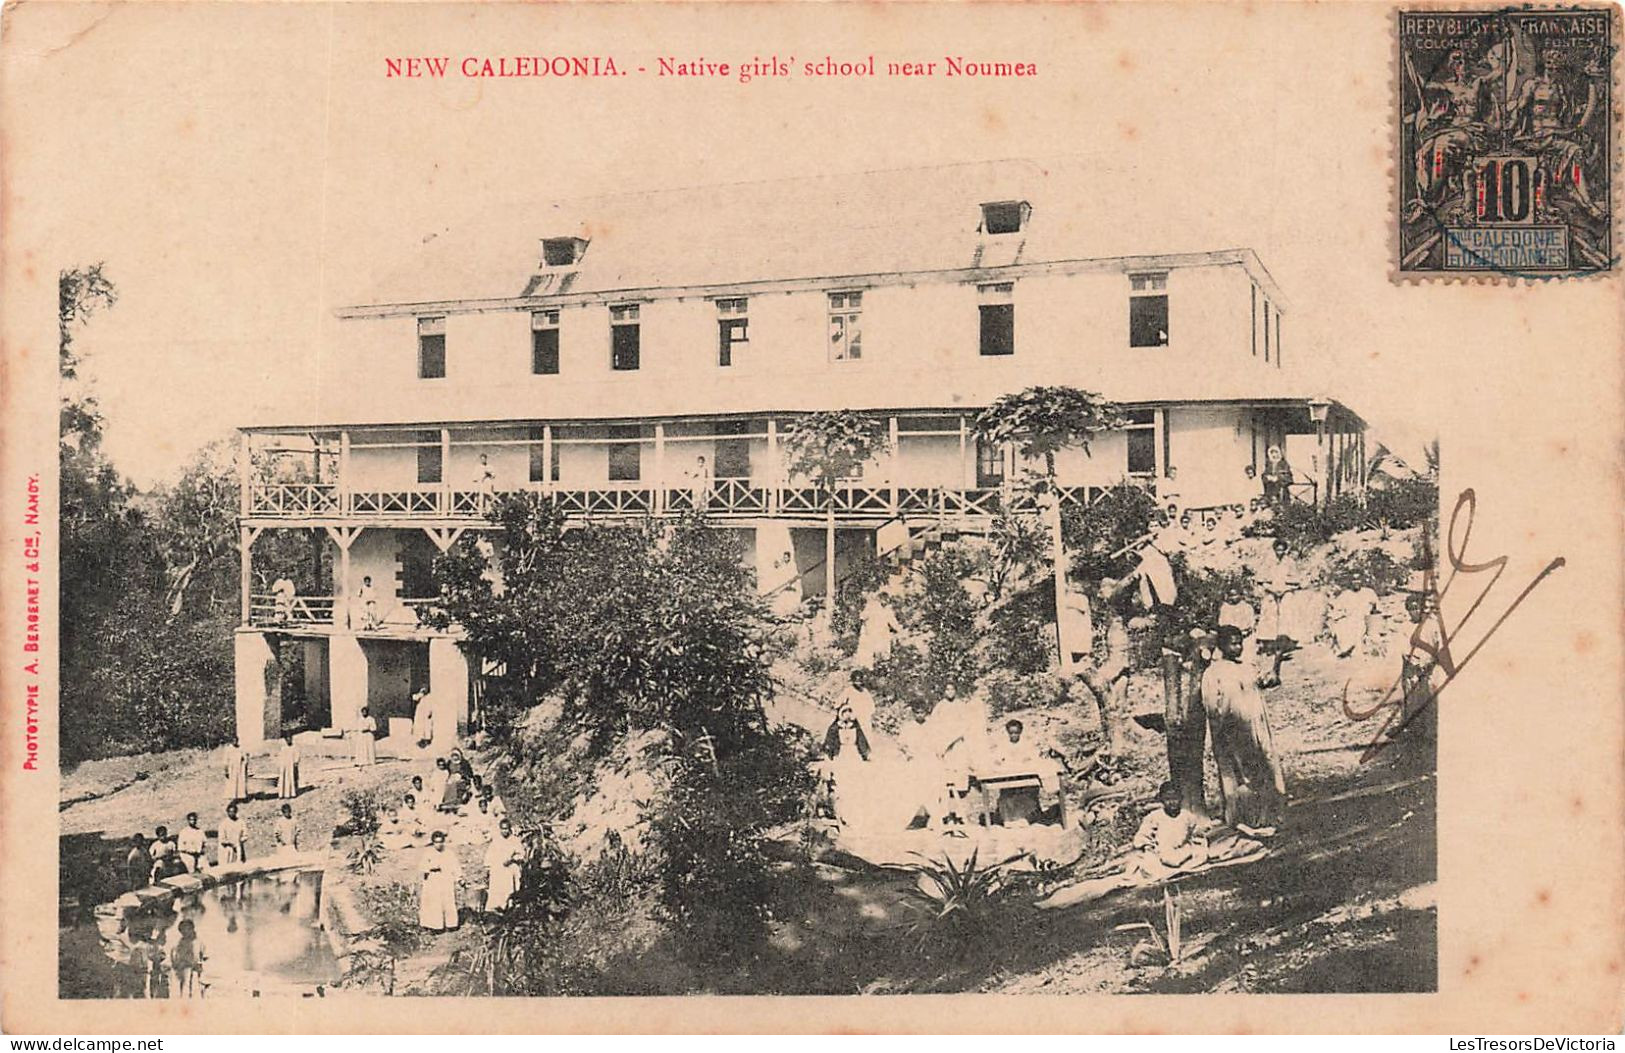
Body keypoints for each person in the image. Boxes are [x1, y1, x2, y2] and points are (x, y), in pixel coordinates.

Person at [1200, 626, 1287, 834]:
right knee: (1238, 774)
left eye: (1240, 643)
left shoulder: (1247, 666)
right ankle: (1242, 818)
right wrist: (1222, 730)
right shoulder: (1213, 673)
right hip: (1231, 729)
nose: (1238, 647)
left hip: (1256, 727)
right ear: (1221, 646)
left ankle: (1268, 814)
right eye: (1233, 643)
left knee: (1262, 767)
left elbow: (1268, 681)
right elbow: (1211, 705)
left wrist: (1277, 660)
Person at [1126, 781, 1209, 878]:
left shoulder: (1188, 816)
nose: (1172, 802)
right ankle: (1165, 871)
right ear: (1161, 800)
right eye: (1167, 799)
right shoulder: (1154, 817)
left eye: (1175, 799)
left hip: (1183, 853)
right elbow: (1142, 837)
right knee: (1148, 864)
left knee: (1200, 856)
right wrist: (1150, 847)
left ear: (1181, 798)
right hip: (1161, 854)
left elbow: (1198, 836)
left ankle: (1183, 868)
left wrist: (1195, 849)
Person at [418, 829, 462, 931]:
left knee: (448, 901)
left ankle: (451, 924)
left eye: (440, 842)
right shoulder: (428, 853)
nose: (439, 845)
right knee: (435, 903)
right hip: (433, 881)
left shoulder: (449, 853)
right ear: (433, 842)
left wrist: (459, 878)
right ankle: (435, 926)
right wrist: (430, 867)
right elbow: (422, 866)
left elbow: (456, 867)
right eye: (436, 842)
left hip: (446, 880)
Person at [484, 818, 524, 914]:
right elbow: (489, 855)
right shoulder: (496, 841)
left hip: (510, 867)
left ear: (509, 829)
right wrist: (488, 867)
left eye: (506, 829)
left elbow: (521, 854)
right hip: (498, 868)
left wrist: (512, 859)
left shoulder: (515, 840)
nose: (504, 831)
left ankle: (509, 906)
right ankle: (496, 907)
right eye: (502, 829)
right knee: (496, 884)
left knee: (509, 884)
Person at [854, 589, 901, 667]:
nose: (885, 602)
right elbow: (862, 617)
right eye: (884, 600)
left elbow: (893, 622)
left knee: (882, 652)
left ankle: (881, 666)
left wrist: (899, 630)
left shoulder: (887, 610)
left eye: (886, 601)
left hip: (881, 634)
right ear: (880, 599)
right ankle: (872, 667)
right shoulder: (872, 606)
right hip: (872, 634)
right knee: (872, 653)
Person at [169, 918, 205, 999]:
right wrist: (177, 963)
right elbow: (175, 957)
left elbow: (203, 958)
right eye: (182, 931)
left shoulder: (199, 942)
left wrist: (199, 965)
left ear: (192, 929)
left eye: (187, 929)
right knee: (183, 992)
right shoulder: (179, 943)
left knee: (196, 992)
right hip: (183, 971)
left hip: (196, 972)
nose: (185, 933)